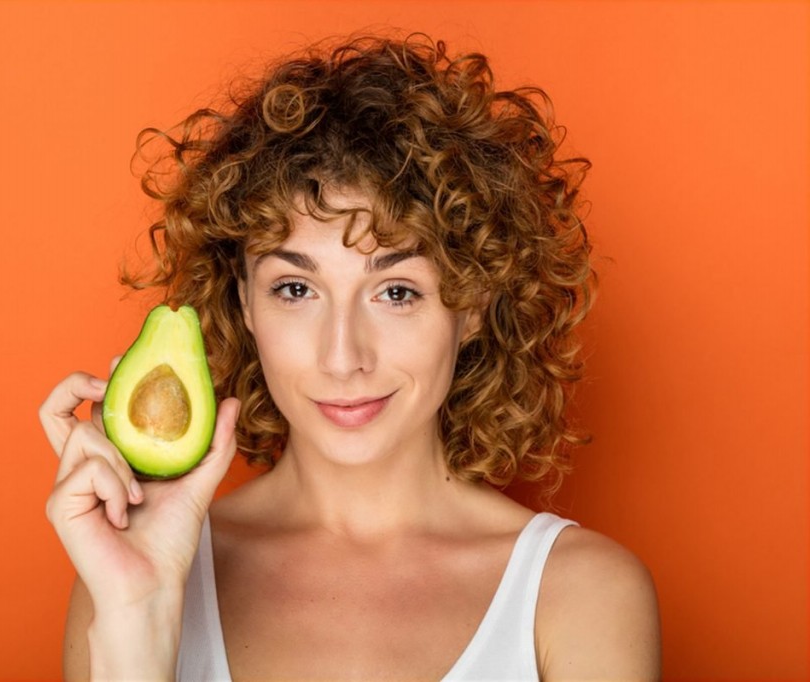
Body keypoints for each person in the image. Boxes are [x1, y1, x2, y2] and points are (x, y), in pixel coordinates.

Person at [40, 34, 661, 681]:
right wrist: (137, 616)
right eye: (296, 289)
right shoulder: (125, 577)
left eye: (396, 292)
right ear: (244, 303)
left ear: (473, 300)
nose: (343, 357)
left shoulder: (582, 597)